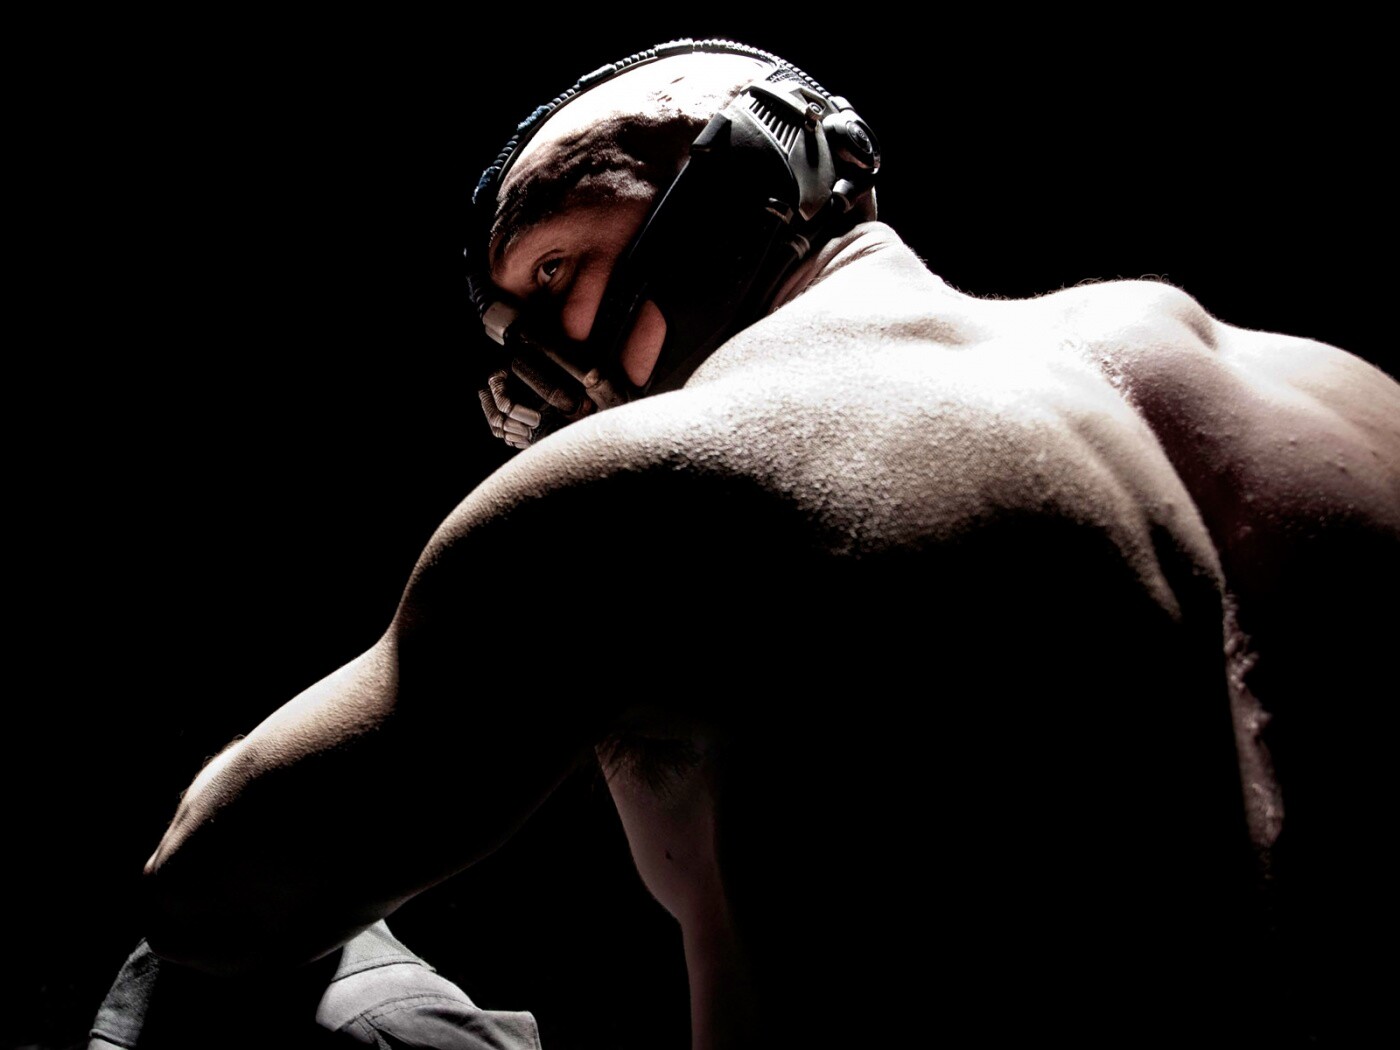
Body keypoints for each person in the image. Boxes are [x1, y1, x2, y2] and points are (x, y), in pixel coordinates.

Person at [121, 39, 1396, 1048]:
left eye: (554, 271)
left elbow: (214, 895)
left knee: (249, 965)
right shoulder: (1338, 398)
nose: (549, 366)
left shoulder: (660, 481)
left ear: (751, 164)